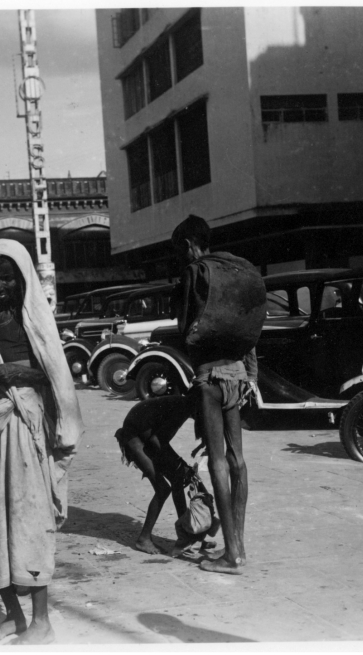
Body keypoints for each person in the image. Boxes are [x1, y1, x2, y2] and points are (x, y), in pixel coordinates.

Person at [0, 239, 83, 645]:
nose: (0, 286)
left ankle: (42, 622)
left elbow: (55, 374)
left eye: (8, 278)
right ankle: (13, 615)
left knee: (30, 517)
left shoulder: (36, 317)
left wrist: (18, 373)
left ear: (22, 277)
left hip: (26, 425)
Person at [170, 215, 265, 575]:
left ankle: (232, 554)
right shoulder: (232, 269)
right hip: (238, 374)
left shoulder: (196, 271)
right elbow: (248, 330)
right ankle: (236, 544)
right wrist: (250, 377)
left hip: (209, 377)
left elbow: (187, 327)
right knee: (238, 460)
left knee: (217, 462)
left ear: (189, 244)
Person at [115, 395, 218, 555]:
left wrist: (180, 467)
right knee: (163, 489)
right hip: (134, 437)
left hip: (148, 437)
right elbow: (156, 442)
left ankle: (187, 536)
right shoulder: (183, 407)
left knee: (179, 476)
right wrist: (179, 464)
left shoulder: (186, 404)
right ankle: (143, 539)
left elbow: (158, 440)